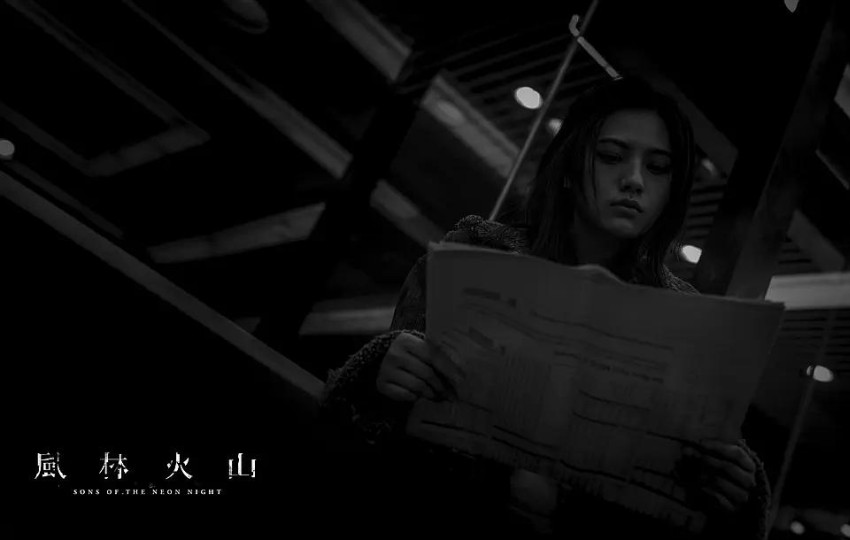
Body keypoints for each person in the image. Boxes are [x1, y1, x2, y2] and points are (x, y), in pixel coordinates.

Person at [320, 78, 771, 538]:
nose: (634, 180)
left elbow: (700, 476)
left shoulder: (686, 320)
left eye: (658, 168)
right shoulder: (478, 253)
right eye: (610, 156)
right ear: (571, 165)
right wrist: (382, 372)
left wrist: (735, 487)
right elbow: (363, 428)